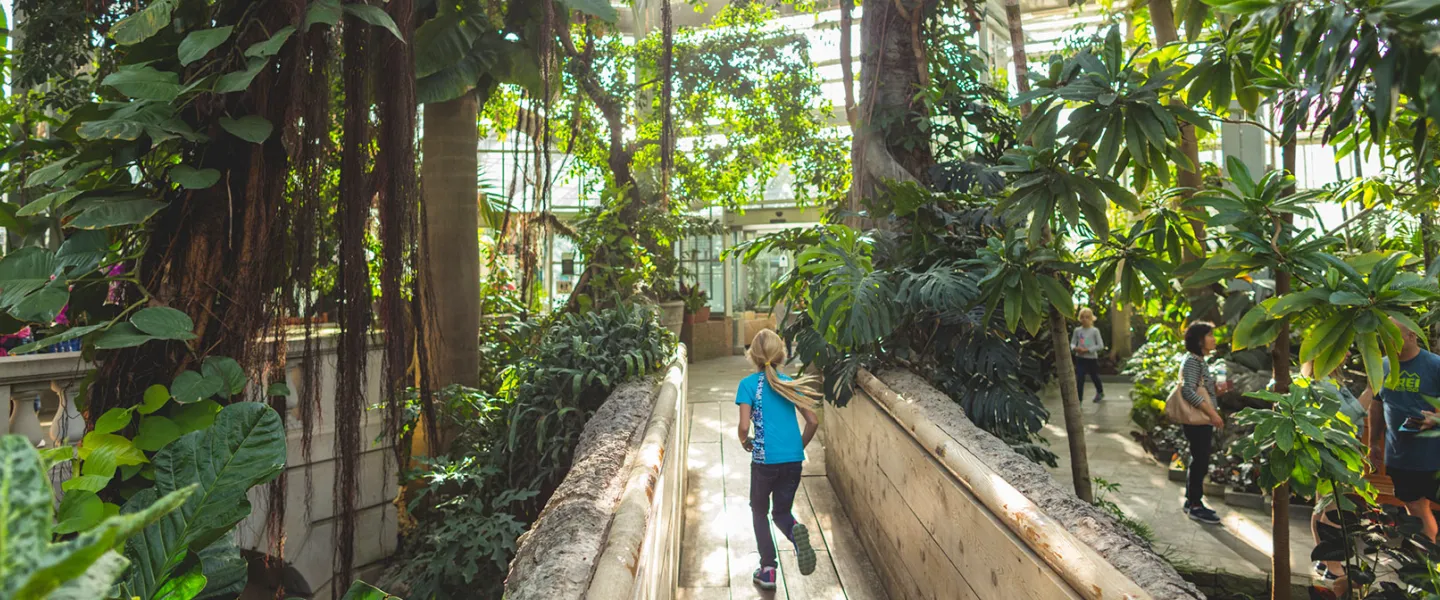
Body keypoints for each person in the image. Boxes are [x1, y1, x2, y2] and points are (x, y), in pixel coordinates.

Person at [737, 329, 823, 589]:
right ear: (781, 354)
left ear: (752, 356)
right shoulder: (788, 383)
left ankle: (768, 569)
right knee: (782, 512)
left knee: (759, 511)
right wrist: (798, 447)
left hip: (764, 463)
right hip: (792, 462)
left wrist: (745, 441)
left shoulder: (749, 385)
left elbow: (743, 426)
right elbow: (813, 421)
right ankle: (796, 538)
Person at [1358, 319, 1440, 541]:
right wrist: (1373, 442)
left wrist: (1436, 418)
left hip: (1433, 455)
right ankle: (1427, 564)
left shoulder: (1434, 365)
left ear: (1412, 336)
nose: (1389, 342)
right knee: (1414, 506)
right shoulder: (1381, 366)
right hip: (1400, 455)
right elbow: (1377, 404)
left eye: (1394, 336)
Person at [1302, 355, 1365, 582]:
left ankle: (1324, 558)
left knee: (1322, 505)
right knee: (1332, 509)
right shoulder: (1323, 381)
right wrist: (1372, 390)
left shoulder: (1323, 378)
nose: (1347, 354)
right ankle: (1334, 565)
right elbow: (1348, 415)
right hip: (1334, 450)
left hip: (1328, 449)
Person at [1179, 321, 1226, 524]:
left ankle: (1192, 501)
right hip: (1198, 420)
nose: (1214, 339)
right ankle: (1195, 505)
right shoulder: (1192, 360)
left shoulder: (1198, 360)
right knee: (1200, 460)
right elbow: (1187, 390)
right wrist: (1212, 414)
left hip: (1202, 419)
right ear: (1199, 340)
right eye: (1210, 335)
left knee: (1198, 460)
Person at [1072, 308, 1106, 402]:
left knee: (1094, 376)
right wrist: (1075, 348)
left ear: (1091, 318)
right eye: (1082, 317)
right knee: (1080, 379)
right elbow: (1073, 343)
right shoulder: (1077, 331)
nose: (1084, 319)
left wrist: (1088, 350)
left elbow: (1100, 345)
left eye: (1087, 317)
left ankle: (1100, 392)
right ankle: (1079, 401)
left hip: (1091, 359)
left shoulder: (1095, 331)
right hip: (1080, 358)